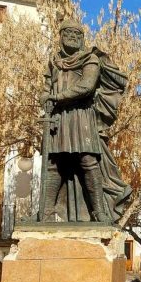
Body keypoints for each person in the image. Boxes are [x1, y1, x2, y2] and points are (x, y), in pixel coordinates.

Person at [40, 18, 131, 223]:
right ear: (61, 37)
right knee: (54, 163)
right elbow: (47, 87)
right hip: (57, 118)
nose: (72, 37)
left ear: (82, 38)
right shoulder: (54, 62)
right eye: (68, 33)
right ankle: (45, 213)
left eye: (76, 34)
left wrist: (55, 97)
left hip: (81, 116)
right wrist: (44, 96)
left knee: (88, 162)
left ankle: (99, 211)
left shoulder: (90, 59)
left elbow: (87, 87)